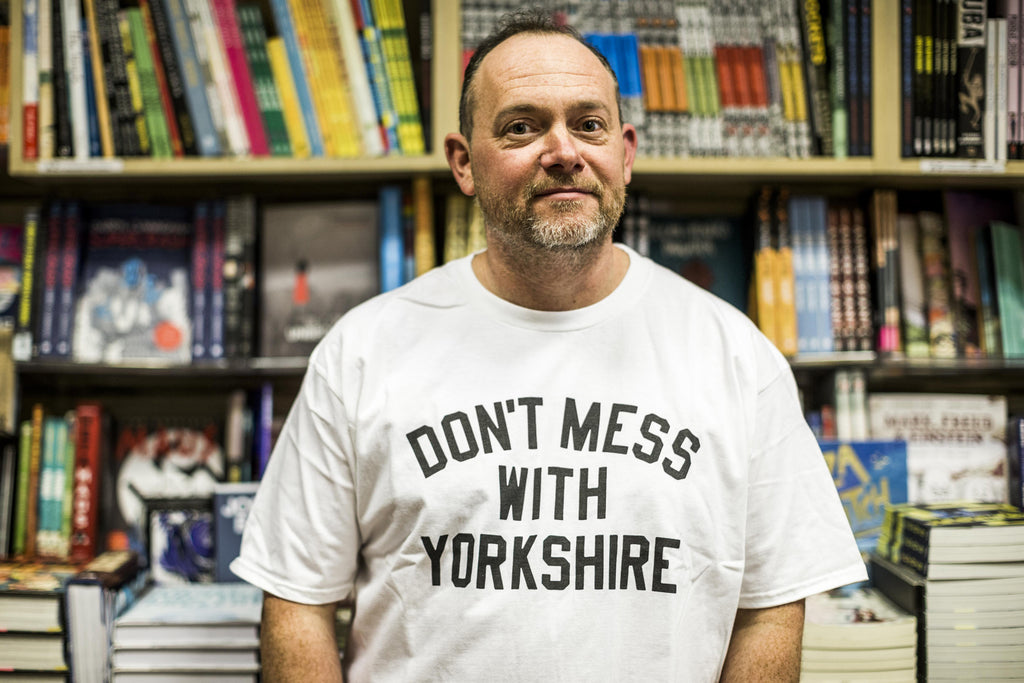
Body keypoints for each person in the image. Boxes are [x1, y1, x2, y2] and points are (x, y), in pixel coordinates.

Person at [230, 10, 867, 682]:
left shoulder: (738, 358)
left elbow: (770, 608)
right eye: (522, 127)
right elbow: (298, 599)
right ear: (464, 162)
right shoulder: (361, 353)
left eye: (588, 125)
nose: (564, 150)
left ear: (624, 152)